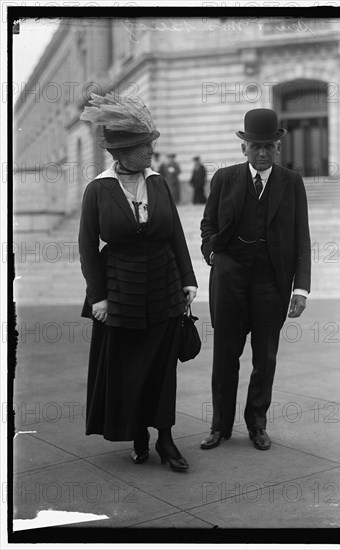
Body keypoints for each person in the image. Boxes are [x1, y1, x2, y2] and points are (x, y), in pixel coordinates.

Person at [79, 92, 197, 471]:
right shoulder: (98, 189)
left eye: (150, 144)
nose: (151, 151)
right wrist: (99, 297)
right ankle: (138, 434)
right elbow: (87, 246)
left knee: (163, 369)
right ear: (123, 152)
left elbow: (175, 233)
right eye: (145, 146)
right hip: (120, 289)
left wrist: (188, 278)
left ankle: (165, 439)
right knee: (129, 368)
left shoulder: (159, 183)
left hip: (164, 285)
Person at [200, 109, 311, 451]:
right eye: (255, 146)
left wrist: (301, 288)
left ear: (278, 147)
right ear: (243, 147)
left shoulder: (291, 182)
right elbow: (208, 226)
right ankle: (220, 427)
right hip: (230, 280)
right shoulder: (224, 179)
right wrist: (213, 255)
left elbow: (301, 237)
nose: (261, 153)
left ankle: (257, 425)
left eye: (268, 146)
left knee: (265, 358)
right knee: (225, 356)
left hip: (271, 282)